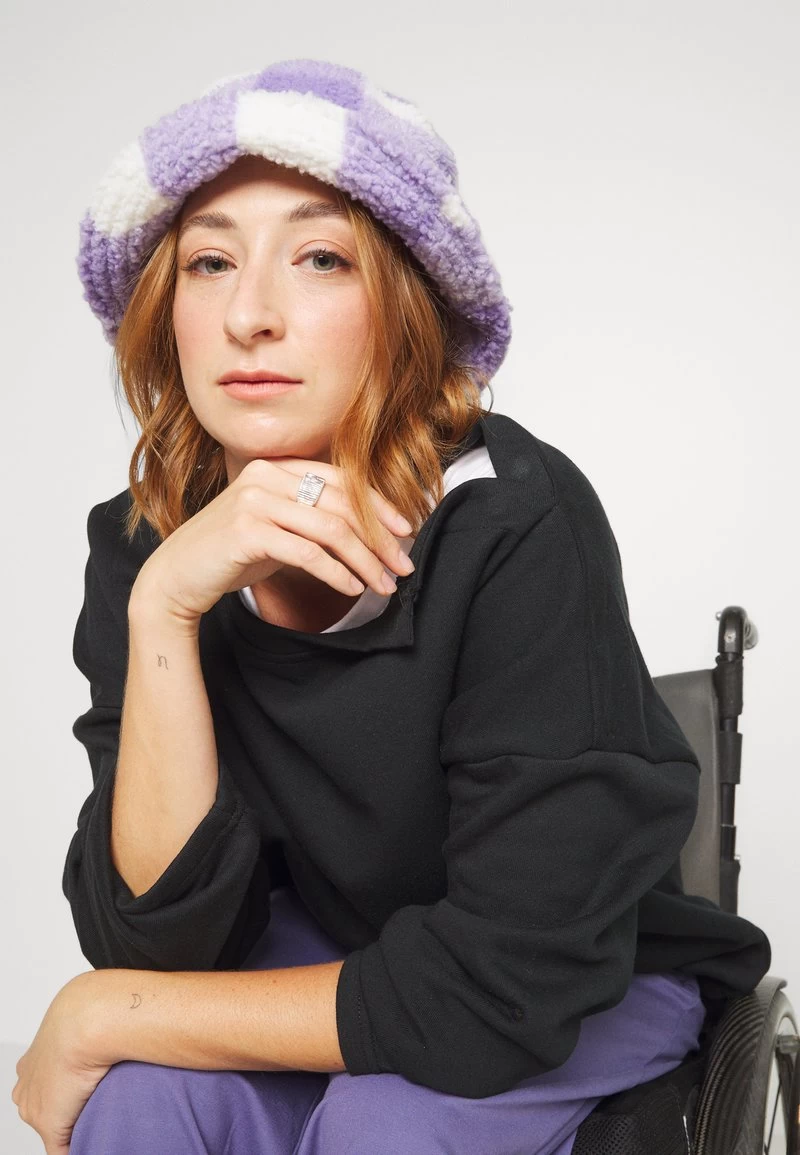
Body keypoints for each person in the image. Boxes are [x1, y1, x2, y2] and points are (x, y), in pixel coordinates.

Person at [12, 58, 770, 1155]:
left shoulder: (514, 522)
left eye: (320, 258)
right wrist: (166, 605)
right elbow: (158, 947)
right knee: (140, 1101)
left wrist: (101, 1013)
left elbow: (503, 982)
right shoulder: (147, 544)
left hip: (568, 977)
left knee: (385, 1125)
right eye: (209, 262)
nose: (250, 316)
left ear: (405, 307)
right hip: (335, 951)